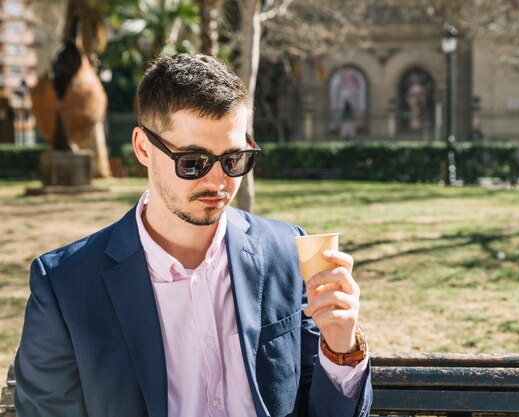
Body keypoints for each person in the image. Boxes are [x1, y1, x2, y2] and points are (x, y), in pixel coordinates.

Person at [14, 53, 372, 417]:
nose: (218, 182)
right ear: (143, 148)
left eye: (234, 159)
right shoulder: (66, 286)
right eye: (193, 162)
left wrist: (341, 346)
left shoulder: (284, 254)